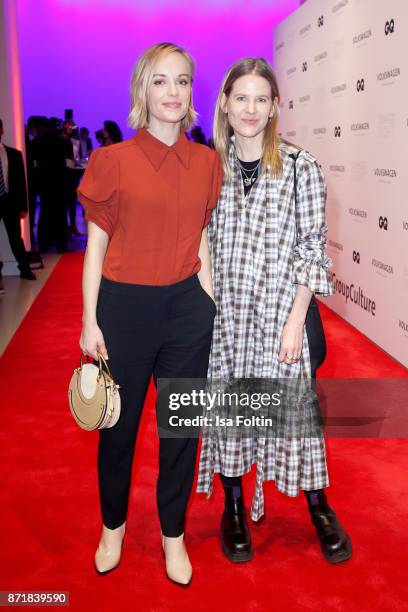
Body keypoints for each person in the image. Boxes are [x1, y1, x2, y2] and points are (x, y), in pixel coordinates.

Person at [77, 42, 222, 585]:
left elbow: (202, 238)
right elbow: (94, 246)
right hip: (124, 309)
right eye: (161, 81)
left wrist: (208, 302)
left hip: (187, 309)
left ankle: (173, 535)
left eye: (182, 81)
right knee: (117, 429)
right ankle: (112, 527)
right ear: (143, 89)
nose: (172, 92)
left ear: (191, 94)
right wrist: (90, 320)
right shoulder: (111, 160)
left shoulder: (208, 162)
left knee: (181, 429)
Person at [197, 58, 352, 565]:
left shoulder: (299, 165)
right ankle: (235, 508)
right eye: (240, 97)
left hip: (283, 314)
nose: (249, 108)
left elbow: (312, 246)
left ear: (274, 108)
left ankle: (319, 507)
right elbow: (197, 239)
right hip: (227, 317)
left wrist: (295, 320)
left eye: (260, 99)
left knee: (294, 415)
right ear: (225, 103)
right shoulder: (208, 168)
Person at [0, 118, 36, 283]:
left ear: (2, 131)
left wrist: (23, 206)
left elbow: (22, 183)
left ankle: (25, 268)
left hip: (10, 202)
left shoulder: (14, 154)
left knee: (15, 237)